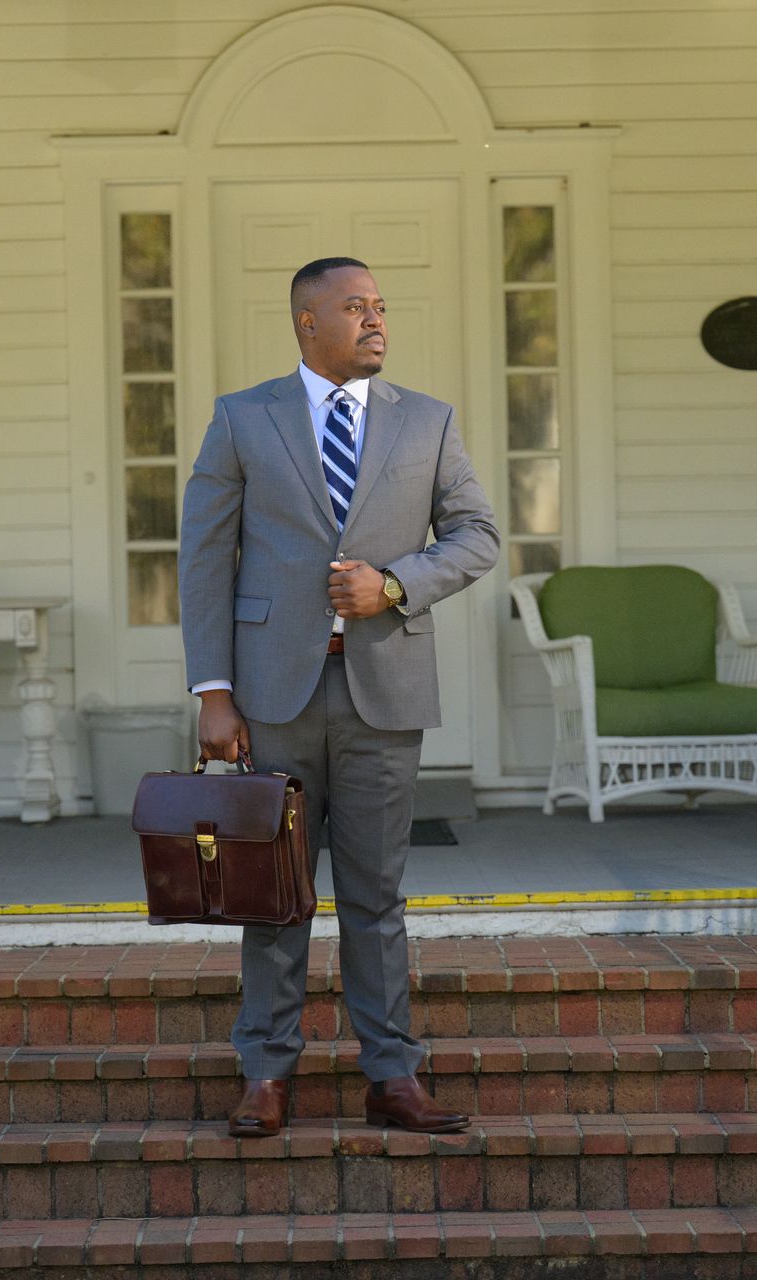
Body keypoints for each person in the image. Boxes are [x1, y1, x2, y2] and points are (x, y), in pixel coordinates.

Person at [177, 256, 499, 1137]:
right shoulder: (243, 419)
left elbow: (478, 536)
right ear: (307, 322)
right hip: (272, 698)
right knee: (273, 895)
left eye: (381, 307)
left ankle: (392, 1075)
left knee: (375, 895)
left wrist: (395, 584)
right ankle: (266, 1075)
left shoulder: (427, 422)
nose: (375, 321)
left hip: (384, 693)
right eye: (355, 307)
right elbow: (205, 557)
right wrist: (213, 691)